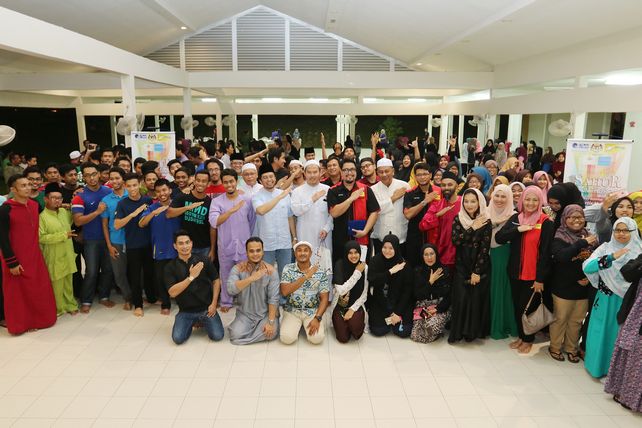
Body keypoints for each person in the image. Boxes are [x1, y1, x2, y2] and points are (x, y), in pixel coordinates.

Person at [496, 186, 554, 354]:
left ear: (540, 202)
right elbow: (500, 238)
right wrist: (517, 230)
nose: (530, 203)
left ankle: (528, 339)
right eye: (527, 199)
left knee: (528, 308)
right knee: (517, 306)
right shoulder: (516, 218)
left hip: (533, 275)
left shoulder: (545, 222)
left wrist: (540, 278)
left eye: (535, 200)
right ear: (522, 200)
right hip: (515, 273)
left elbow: (546, 253)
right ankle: (522, 337)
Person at [582, 217, 642, 378]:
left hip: (628, 302)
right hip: (604, 299)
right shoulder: (606, 248)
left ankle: (614, 373)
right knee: (598, 333)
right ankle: (595, 367)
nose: (621, 234)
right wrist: (611, 257)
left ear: (633, 232)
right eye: (617, 230)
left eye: (626, 230)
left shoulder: (640, 251)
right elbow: (587, 267)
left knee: (617, 336)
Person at [0, 175, 57, 335]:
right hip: (15, 258)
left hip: (34, 255)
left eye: (28, 184)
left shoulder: (34, 205)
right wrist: (11, 262)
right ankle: (20, 324)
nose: (28, 188)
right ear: (13, 189)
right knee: (17, 293)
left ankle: (38, 320)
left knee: (37, 289)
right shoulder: (5, 210)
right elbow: (2, 239)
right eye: (23, 185)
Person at [548, 205, 597, 362]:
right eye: (572, 217)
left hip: (583, 287)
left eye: (580, 217)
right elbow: (561, 257)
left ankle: (571, 348)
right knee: (560, 319)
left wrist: (589, 278)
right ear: (564, 219)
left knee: (576, 321)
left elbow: (595, 260)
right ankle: (555, 347)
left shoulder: (590, 236)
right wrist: (581, 243)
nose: (576, 220)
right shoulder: (559, 236)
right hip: (563, 286)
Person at [165, 230, 224, 345]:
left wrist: (214, 303)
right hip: (185, 311)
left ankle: (202, 321)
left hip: (206, 309)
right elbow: (172, 292)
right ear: (175, 246)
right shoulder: (170, 267)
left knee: (217, 336)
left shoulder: (203, 260)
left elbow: (216, 280)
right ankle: (190, 322)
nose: (185, 246)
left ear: (191, 243)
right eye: (181, 243)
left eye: (187, 242)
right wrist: (191, 277)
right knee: (178, 339)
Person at [209, 169, 256, 311]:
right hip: (225, 245)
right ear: (222, 183)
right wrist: (231, 211)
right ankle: (226, 302)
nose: (229, 185)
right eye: (226, 182)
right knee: (226, 274)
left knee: (246, 274)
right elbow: (214, 222)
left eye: (231, 181)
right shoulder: (217, 202)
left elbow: (252, 221)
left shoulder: (247, 200)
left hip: (243, 245)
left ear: (236, 182)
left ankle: (247, 302)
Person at [448, 188, 492, 343]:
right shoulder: (458, 218)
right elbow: (456, 241)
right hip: (461, 265)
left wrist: (477, 272)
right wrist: (473, 227)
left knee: (474, 300)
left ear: (479, 202)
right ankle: (458, 333)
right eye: (466, 201)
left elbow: (484, 248)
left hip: (479, 266)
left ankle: (472, 333)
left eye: (473, 201)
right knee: (460, 299)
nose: (469, 204)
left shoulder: (486, 220)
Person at [72, 163, 114, 313]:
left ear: (99, 174)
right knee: (91, 271)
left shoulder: (109, 191)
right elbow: (78, 221)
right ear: (83, 177)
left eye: (94, 174)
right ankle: (86, 300)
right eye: (88, 175)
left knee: (108, 269)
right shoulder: (80, 196)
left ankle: (104, 296)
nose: (92, 178)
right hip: (91, 240)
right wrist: (97, 212)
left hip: (110, 237)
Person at [604, 253, 642, 412]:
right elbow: (627, 273)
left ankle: (632, 399)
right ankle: (623, 392)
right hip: (635, 316)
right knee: (628, 353)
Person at [114, 173, 155, 317]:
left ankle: (152, 298)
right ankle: (138, 305)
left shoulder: (147, 200)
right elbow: (117, 225)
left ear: (140, 185)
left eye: (135, 185)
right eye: (129, 186)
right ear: (125, 186)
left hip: (149, 244)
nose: (132, 188)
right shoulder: (122, 203)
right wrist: (133, 214)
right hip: (132, 245)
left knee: (150, 274)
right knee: (135, 277)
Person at [139, 179, 181, 315]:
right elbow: (142, 224)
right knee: (161, 278)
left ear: (170, 190)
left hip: (179, 249)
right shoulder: (152, 207)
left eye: (164, 190)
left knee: (180, 277)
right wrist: (154, 212)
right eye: (158, 191)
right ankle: (165, 304)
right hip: (160, 249)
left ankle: (183, 302)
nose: (162, 193)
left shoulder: (177, 205)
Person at [227, 237, 280, 345]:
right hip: (245, 315)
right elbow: (231, 290)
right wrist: (251, 278)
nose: (255, 254)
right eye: (251, 251)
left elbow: (273, 299)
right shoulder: (238, 269)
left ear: (263, 251)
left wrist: (270, 322)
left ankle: (249, 334)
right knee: (235, 335)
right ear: (246, 252)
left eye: (258, 250)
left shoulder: (271, 271)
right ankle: (252, 332)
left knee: (272, 332)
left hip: (265, 315)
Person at [327, 159, 380, 263]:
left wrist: (365, 231)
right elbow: (334, 213)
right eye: (346, 170)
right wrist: (351, 199)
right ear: (341, 172)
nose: (349, 173)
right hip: (340, 240)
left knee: (362, 268)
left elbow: (374, 211)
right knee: (341, 268)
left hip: (362, 238)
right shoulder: (333, 190)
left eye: (352, 169)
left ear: (356, 171)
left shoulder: (365, 189)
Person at [39, 183, 79, 317]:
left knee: (69, 283)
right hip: (54, 256)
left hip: (68, 253)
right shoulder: (42, 217)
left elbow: (73, 219)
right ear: (46, 199)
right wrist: (63, 236)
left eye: (59, 198)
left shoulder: (63, 212)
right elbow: (41, 237)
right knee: (57, 285)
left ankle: (71, 305)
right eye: (54, 198)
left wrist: (70, 207)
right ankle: (58, 309)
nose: (57, 201)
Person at [279, 241, 331, 345]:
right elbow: (284, 292)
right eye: (299, 250)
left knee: (317, 339)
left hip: (312, 312)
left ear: (311, 253)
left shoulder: (320, 271)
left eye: (306, 250)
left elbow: (325, 298)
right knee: (286, 339)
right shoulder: (288, 268)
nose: (302, 253)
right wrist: (306, 276)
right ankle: (296, 325)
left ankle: (306, 324)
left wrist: (317, 318)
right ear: (295, 253)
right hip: (292, 310)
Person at [252, 164, 296, 277]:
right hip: (266, 243)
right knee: (266, 275)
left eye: (271, 176)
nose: (269, 180)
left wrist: (294, 237)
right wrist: (279, 197)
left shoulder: (285, 195)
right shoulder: (257, 196)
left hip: (284, 241)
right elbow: (261, 210)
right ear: (260, 181)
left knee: (285, 275)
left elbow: (290, 217)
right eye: (265, 177)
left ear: (275, 177)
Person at [487, 184, 518, 339]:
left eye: (503, 196)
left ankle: (501, 325)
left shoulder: (514, 215)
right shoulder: (485, 212)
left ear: (509, 198)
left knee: (500, 289)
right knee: (490, 289)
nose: (499, 199)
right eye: (497, 196)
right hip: (486, 256)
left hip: (503, 255)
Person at [367, 234, 413, 337]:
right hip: (381, 301)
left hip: (399, 303)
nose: (387, 251)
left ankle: (394, 319)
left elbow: (407, 291)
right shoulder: (375, 261)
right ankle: (389, 319)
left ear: (396, 248)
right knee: (379, 330)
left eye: (391, 248)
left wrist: (397, 312)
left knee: (403, 331)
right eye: (384, 247)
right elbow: (372, 280)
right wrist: (390, 272)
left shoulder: (404, 265)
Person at [291, 160, 333, 267]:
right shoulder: (297, 191)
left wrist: (327, 228)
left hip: (324, 234)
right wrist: (312, 200)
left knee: (324, 264)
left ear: (320, 172)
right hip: (304, 233)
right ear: (304, 173)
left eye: (315, 172)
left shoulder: (328, 189)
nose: (312, 175)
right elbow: (296, 211)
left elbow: (333, 213)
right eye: (309, 172)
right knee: (305, 264)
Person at [100, 167, 132, 310]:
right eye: (111, 178)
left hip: (133, 239)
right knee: (119, 274)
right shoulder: (106, 200)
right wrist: (109, 245)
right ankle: (128, 298)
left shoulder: (131, 194)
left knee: (136, 271)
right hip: (116, 240)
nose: (114, 181)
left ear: (123, 179)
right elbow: (104, 224)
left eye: (117, 178)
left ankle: (136, 296)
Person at [167, 170, 215, 260]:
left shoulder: (210, 202)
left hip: (204, 247)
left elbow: (212, 228)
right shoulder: (183, 196)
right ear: (194, 181)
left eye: (204, 181)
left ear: (208, 184)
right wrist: (187, 208)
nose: (200, 183)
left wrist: (212, 249)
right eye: (198, 180)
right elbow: (169, 214)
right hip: (185, 246)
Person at [419, 171, 461, 270]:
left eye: (450, 185)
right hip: (440, 256)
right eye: (443, 185)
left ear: (456, 186)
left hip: (460, 255)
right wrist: (437, 215)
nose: (446, 188)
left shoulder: (465, 203)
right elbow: (422, 225)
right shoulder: (437, 205)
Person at [411, 244, 451, 343]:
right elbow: (417, 295)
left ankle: (437, 329)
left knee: (430, 327)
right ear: (422, 256)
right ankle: (434, 331)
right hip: (423, 306)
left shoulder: (444, 270)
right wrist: (430, 282)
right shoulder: (418, 271)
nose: (429, 257)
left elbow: (450, 295)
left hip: (440, 306)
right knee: (415, 335)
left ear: (436, 254)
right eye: (426, 254)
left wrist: (437, 309)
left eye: (432, 254)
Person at [403, 163, 441, 267]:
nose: (422, 177)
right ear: (415, 177)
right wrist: (424, 201)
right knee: (414, 267)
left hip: (434, 236)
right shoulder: (410, 193)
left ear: (430, 175)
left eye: (425, 174)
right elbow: (408, 214)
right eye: (419, 175)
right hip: (415, 237)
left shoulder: (439, 191)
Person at [371, 158, 410, 255]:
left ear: (393, 171)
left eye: (387, 171)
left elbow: (409, 209)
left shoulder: (404, 186)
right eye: (381, 172)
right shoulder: (373, 189)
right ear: (377, 173)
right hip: (380, 234)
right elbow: (376, 209)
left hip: (400, 233)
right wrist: (393, 198)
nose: (384, 174)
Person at [332, 241, 368, 343]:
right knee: (343, 338)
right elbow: (341, 291)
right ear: (346, 253)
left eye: (356, 252)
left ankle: (352, 322)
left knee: (356, 332)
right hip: (340, 305)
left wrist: (352, 309)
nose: (353, 256)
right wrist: (357, 273)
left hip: (356, 304)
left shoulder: (364, 267)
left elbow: (365, 293)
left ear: (360, 253)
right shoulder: (339, 264)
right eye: (350, 253)